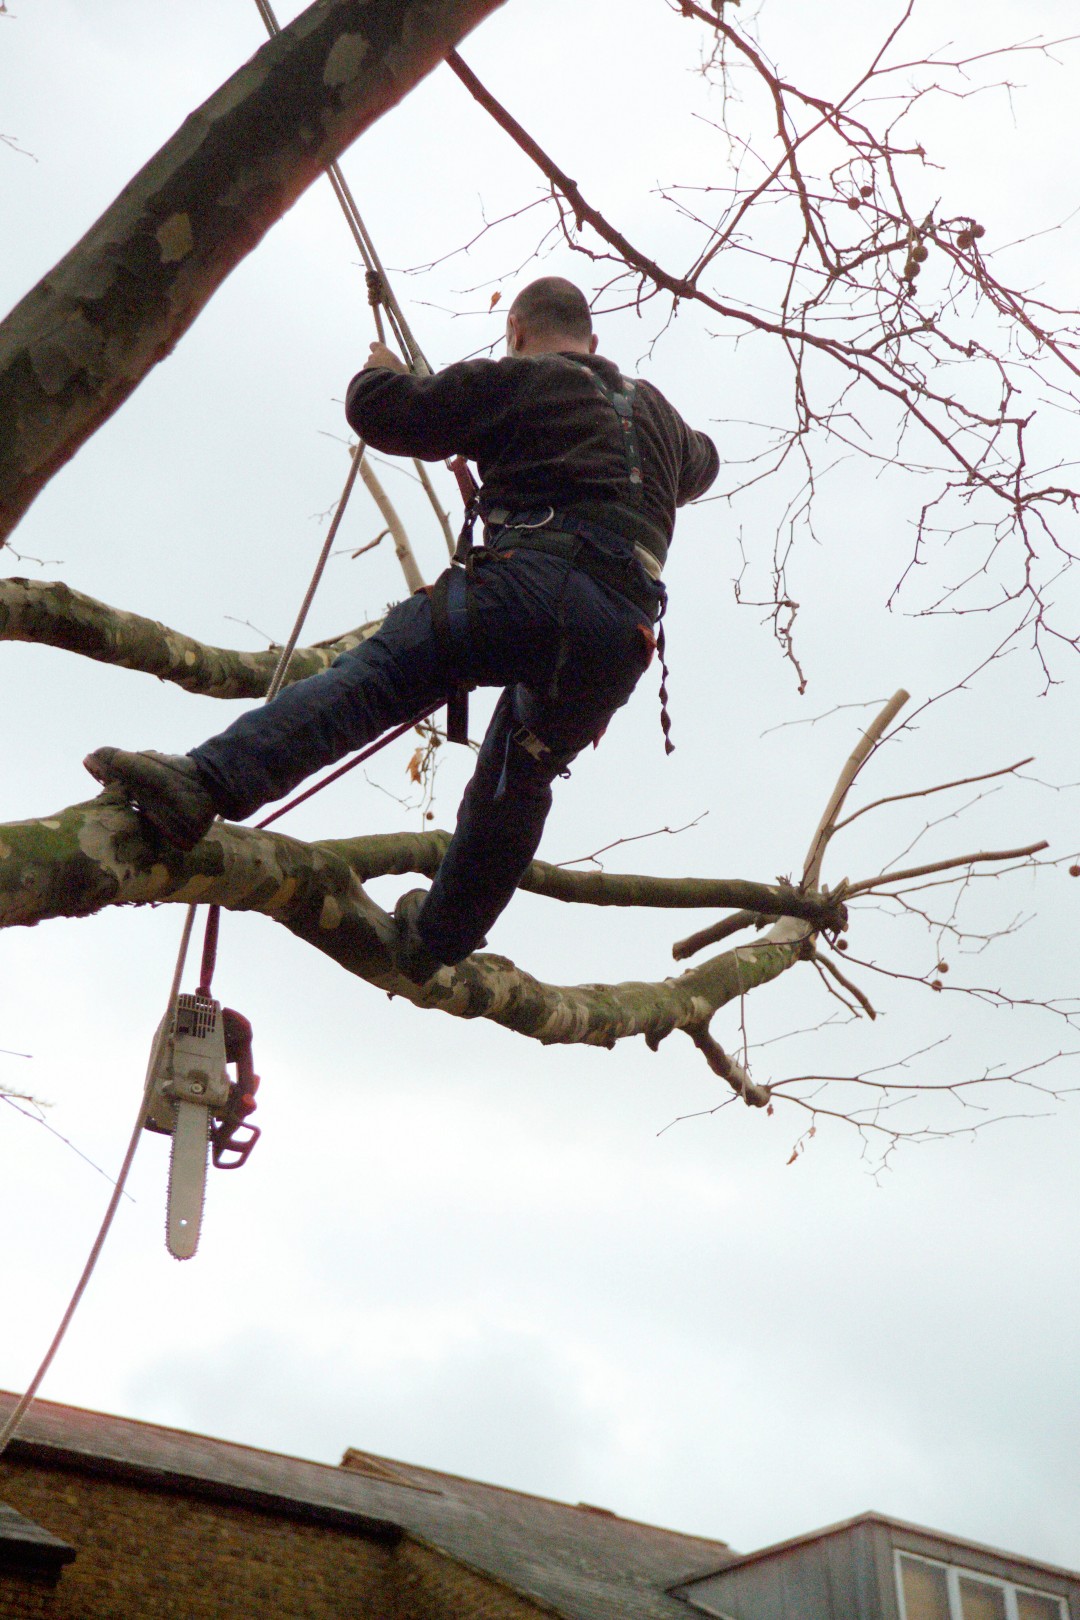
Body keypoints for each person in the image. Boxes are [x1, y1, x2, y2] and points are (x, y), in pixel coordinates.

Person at [85, 277, 719, 984]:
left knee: (377, 678)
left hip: (528, 584)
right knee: (521, 774)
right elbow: (704, 463)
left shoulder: (521, 379)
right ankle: (440, 939)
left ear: (514, 329)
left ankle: (204, 783)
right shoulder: (658, 415)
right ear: (595, 343)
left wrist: (379, 372)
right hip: (619, 633)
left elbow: (385, 415)